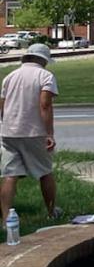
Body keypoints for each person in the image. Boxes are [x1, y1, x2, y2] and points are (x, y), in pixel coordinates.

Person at [1, 41, 61, 223]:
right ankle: (51, 212)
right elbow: (45, 104)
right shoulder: (45, 76)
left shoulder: (10, 76)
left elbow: (2, 105)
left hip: (9, 132)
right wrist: (49, 133)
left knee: (10, 175)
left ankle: (5, 219)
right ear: (44, 60)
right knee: (45, 172)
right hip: (34, 132)